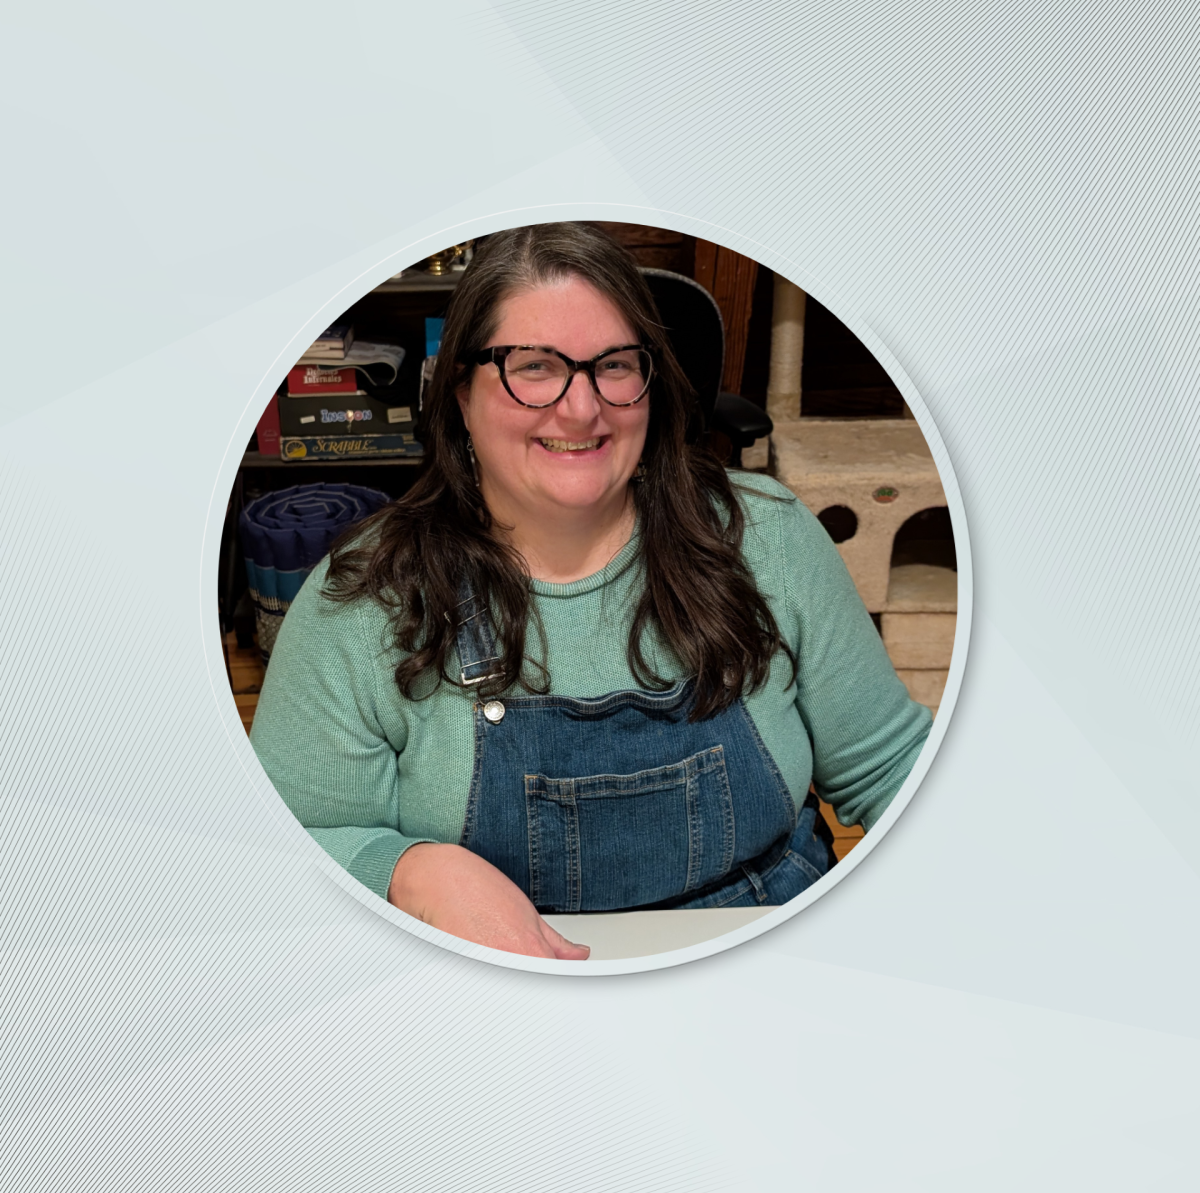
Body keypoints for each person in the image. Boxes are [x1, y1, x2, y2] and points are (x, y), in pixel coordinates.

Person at [250, 222, 932, 960]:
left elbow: (892, 767)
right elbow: (285, 848)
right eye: (534, 367)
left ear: (652, 383)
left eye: (613, 365)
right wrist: (411, 871)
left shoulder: (766, 537)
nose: (582, 409)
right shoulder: (363, 601)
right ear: (459, 396)